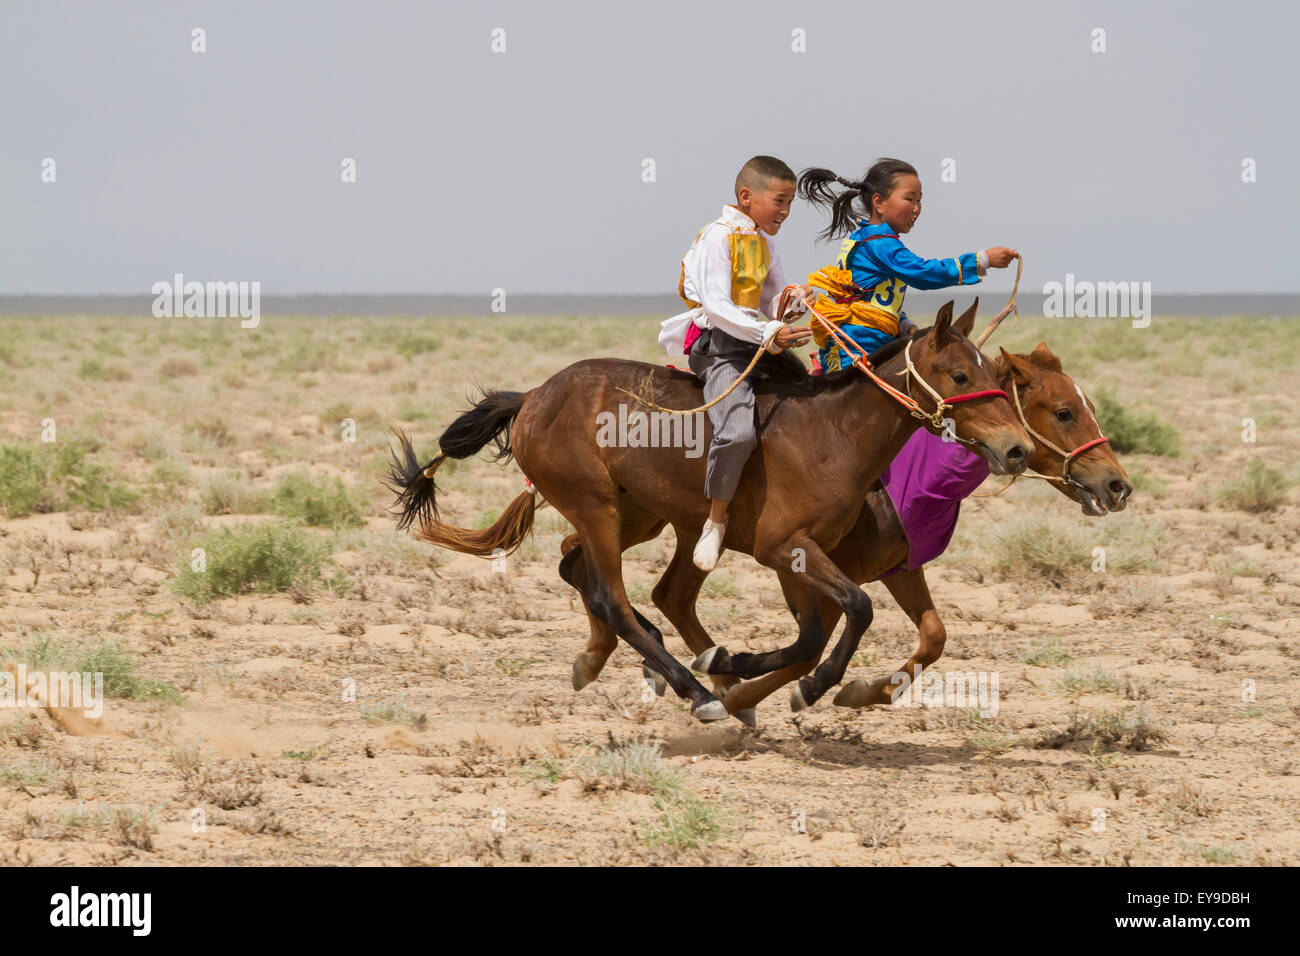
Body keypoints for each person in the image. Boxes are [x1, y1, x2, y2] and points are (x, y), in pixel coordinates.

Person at [657, 155, 815, 571]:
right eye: (779, 201)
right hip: (721, 346)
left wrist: (797, 303)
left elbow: (773, 301)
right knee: (739, 431)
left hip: (756, 342)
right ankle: (716, 521)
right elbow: (717, 305)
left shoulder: (765, 242)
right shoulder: (717, 236)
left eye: (789, 205)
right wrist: (768, 332)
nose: (784, 212)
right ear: (746, 197)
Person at [797, 158, 1017, 371]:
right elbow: (922, 273)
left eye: (919, 200)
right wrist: (981, 261)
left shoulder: (869, 238)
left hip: (871, 345)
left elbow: (872, 300)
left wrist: (903, 325)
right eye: (909, 199)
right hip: (853, 349)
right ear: (879, 202)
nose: (916, 208)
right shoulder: (879, 243)